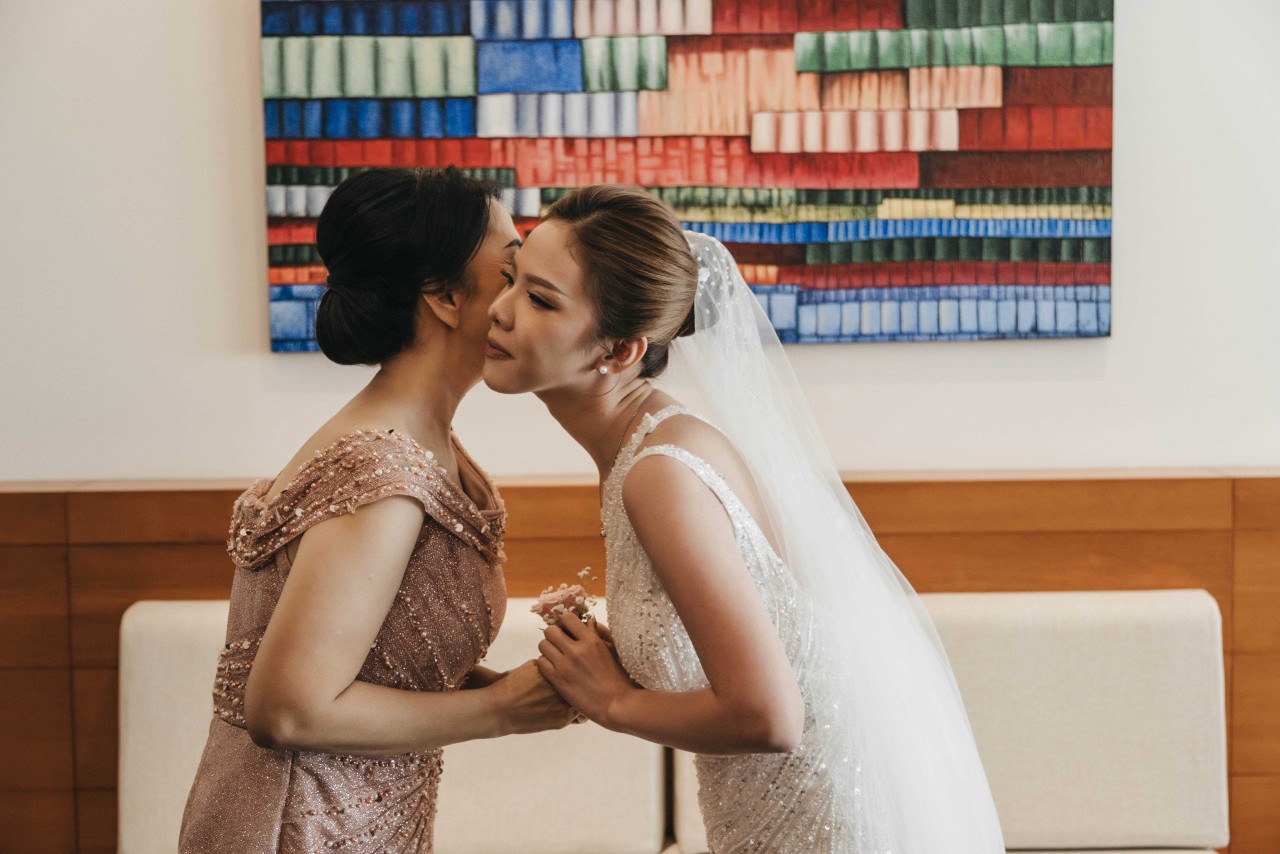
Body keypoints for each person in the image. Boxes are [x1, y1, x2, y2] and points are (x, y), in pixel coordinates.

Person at [483, 185, 1006, 852]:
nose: (499, 310)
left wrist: (612, 701)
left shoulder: (660, 474)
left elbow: (769, 717)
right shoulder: (651, 444)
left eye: (539, 299)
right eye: (510, 279)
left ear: (618, 352)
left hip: (816, 825)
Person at [180, 167, 573, 853]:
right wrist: (503, 709)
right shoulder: (382, 470)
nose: (522, 300)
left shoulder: (424, 442)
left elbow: (381, 659)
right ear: (446, 297)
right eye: (510, 274)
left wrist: (536, 683)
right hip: (301, 825)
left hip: (366, 817)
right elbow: (288, 710)